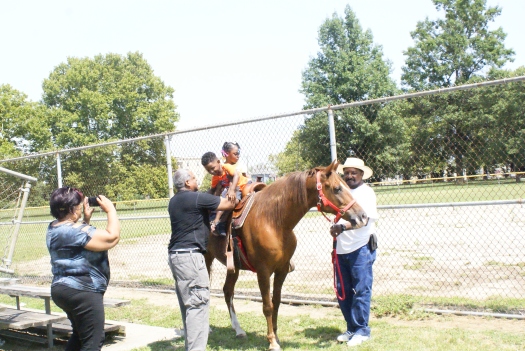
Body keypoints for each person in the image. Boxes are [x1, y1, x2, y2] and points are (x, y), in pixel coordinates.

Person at [167, 169, 235, 351]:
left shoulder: (174, 201)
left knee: (188, 306)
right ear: (188, 183)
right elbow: (228, 204)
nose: (197, 180)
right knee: (198, 306)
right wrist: (232, 184)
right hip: (191, 258)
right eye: (195, 178)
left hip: (175, 257)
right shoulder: (196, 198)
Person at [46, 187, 120, 351]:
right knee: (93, 342)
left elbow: (77, 244)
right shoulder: (74, 231)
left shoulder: (53, 227)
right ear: (72, 209)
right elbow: (111, 238)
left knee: (80, 336)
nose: (81, 206)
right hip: (83, 291)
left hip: (63, 288)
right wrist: (111, 210)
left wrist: (85, 219)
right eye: (78, 205)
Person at [329, 157, 379, 347]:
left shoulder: (366, 193)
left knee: (361, 289)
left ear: (361, 175)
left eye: (354, 173)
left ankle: (362, 330)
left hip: (361, 247)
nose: (349, 176)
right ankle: (351, 327)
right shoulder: (343, 192)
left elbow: (365, 219)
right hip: (341, 249)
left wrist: (342, 228)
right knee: (343, 290)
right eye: (347, 172)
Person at [200, 151, 249, 236]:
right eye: (208, 170)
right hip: (227, 191)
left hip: (239, 187)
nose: (211, 171)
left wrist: (232, 190)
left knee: (230, 201)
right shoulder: (215, 177)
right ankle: (220, 223)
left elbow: (236, 175)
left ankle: (218, 222)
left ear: (218, 162)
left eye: (213, 168)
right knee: (223, 201)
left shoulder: (226, 167)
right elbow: (213, 189)